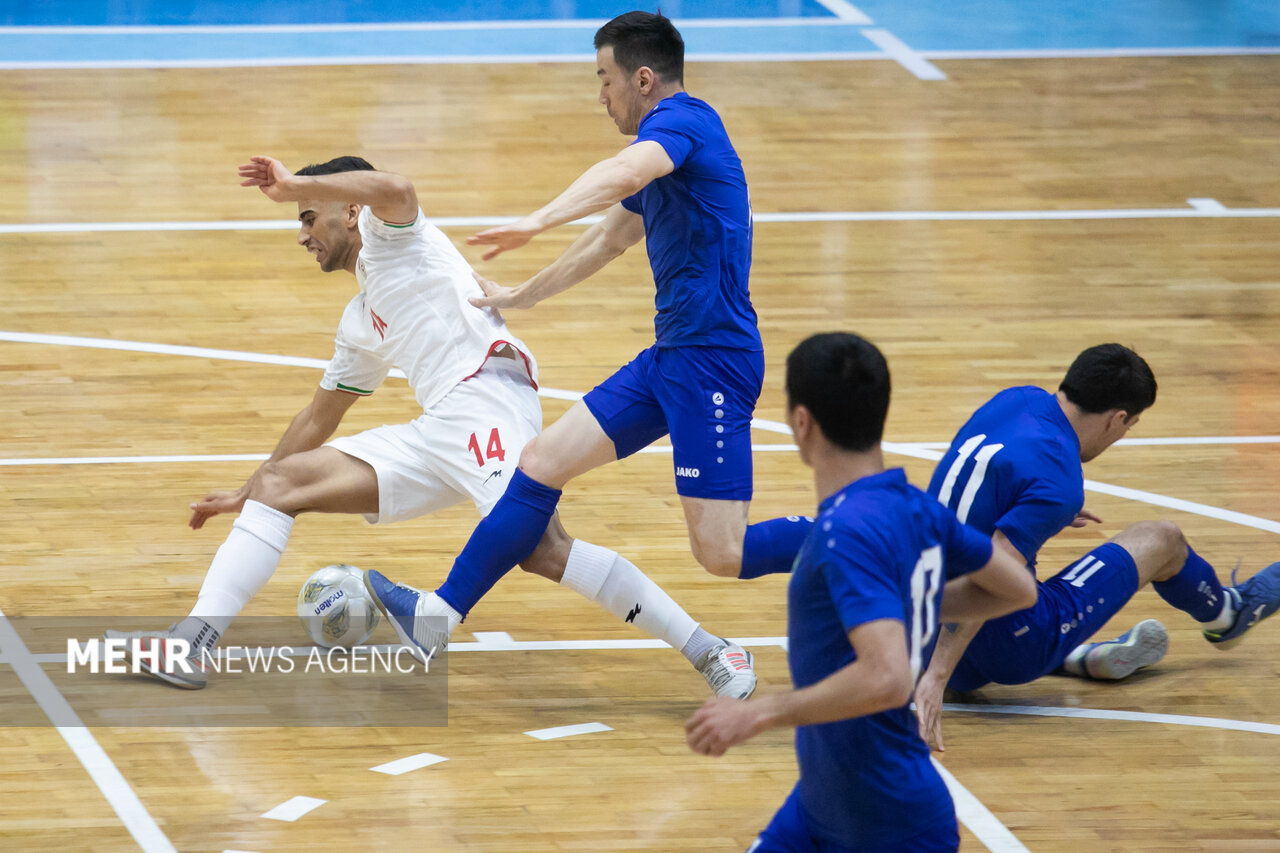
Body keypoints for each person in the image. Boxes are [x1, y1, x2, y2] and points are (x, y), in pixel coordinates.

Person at [103, 154, 756, 699]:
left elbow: (397, 187)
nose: (302, 232)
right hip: (438, 428)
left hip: (485, 400)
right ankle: (190, 644)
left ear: (347, 208)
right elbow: (317, 417)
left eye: (308, 217)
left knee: (543, 547)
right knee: (283, 483)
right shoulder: (359, 322)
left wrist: (295, 184)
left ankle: (710, 649)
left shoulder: (395, 234)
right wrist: (246, 490)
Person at [363, 10, 813, 658]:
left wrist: (534, 220)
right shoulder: (672, 158)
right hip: (670, 359)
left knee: (721, 551)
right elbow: (610, 236)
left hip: (713, 364)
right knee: (540, 464)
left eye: (605, 79)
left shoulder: (682, 124)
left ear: (645, 78)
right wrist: (522, 295)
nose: (600, 94)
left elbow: (623, 175)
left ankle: (875, 536)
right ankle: (437, 615)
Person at [684, 332, 1036, 853]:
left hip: (889, 824)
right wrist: (913, 606)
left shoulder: (844, 532)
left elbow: (888, 677)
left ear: (802, 422)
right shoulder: (914, 506)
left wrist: (759, 712)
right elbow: (1018, 587)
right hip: (823, 805)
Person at [914, 343, 1280, 750]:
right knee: (1164, 539)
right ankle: (1228, 617)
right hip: (998, 649)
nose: (1123, 435)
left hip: (913, 625)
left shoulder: (1013, 399)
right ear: (1117, 418)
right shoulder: (1058, 482)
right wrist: (937, 676)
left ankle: (1079, 658)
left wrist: (1035, 504)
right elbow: (989, 581)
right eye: (1130, 425)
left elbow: (977, 483)